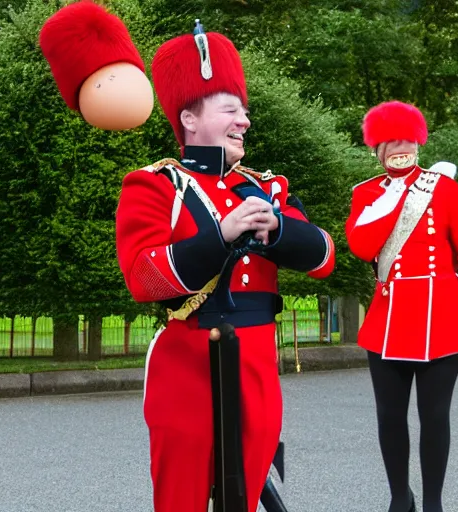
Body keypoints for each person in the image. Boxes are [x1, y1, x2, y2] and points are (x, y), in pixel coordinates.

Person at [115, 21, 335, 512]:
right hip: (187, 361)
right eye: (231, 109)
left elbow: (323, 256)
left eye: (245, 111)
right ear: (190, 118)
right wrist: (221, 235)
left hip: (257, 364)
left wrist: (276, 229)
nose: (244, 121)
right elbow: (143, 277)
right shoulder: (154, 186)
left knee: (246, 497)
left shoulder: (267, 188)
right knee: (182, 500)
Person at [345, 100, 458, 512]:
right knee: (390, 416)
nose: (398, 146)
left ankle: (433, 503)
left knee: (435, 415)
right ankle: (398, 498)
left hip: (442, 316)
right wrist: (394, 198)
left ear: (418, 141)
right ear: (376, 148)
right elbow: (361, 246)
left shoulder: (443, 187)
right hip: (389, 318)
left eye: (405, 138)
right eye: (389, 140)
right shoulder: (367, 194)